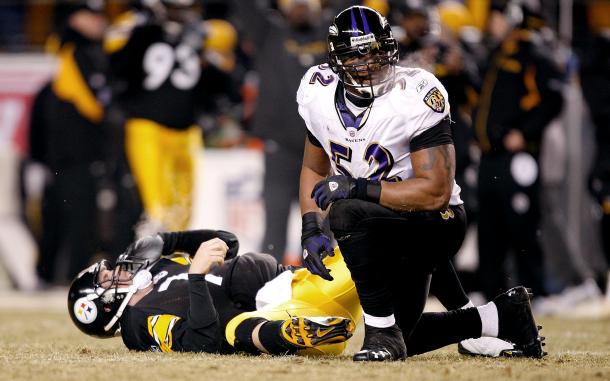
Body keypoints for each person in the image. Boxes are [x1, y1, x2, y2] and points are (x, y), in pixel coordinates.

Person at [296, 5, 543, 361]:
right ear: (337, 61)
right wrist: (309, 228)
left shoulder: (415, 93)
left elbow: (436, 193)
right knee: (407, 335)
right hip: (385, 223)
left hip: (435, 223)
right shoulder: (317, 92)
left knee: (348, 211)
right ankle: (500, 316)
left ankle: (381, 334)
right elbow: (314, 169)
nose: (369, 65)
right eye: (357, 56)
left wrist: (358, 188)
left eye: (378, 53)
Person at [68, 229, 545, 358]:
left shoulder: (157, 271)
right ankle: (292, 334)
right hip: (277, 302)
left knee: (387, 322)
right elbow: (202, 339)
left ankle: (497, 319)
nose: (117, 270)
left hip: (289, 282)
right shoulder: (136, 324)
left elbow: (226, 242)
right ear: (103, 305)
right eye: (108, 276)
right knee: (390, 237)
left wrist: (174, 241)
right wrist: (195, 276)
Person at [103, 0, 239, 234]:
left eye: (184, 9)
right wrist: (141, 31)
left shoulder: (205, 32)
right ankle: (146, 262)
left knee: (182, 212)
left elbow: (229, 78)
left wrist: (205, 50)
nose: (179, 14)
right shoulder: (138, 27)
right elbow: (114, 62)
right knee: (155, 209)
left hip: (187, 131)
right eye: (173, 8)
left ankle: (173, 263)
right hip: (147, 127)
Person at [473, 0, 563, 301]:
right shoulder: (497, 54)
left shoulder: (531, 52)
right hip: (490, 157)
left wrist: (525, 133)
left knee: (522, 226)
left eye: (496, 18)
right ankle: (493, 296)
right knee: (490, 229)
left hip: (515, 160)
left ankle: (534, 291)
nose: (491, 24)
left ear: (511, 18)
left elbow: (553, 97)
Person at [229, 0, 330, 264]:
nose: (300, 5)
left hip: (323, 147)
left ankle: (328, 287)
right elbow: (244, 7)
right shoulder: (268, 32)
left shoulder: (331, 32)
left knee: (327, 225)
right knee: (275, 226)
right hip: (280, 147)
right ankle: (267, 287)